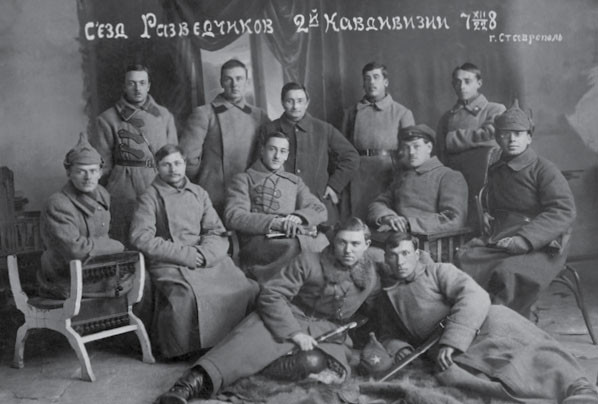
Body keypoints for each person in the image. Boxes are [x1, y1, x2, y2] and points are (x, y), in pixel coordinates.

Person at [156, 217, 380, 404]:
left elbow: (371, 308)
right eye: (342, 242)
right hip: (288, 315)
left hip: (327, 330)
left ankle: (255, 371)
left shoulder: (370, 276)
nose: (348, 250)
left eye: (355, 244)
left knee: (315, 363)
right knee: (241, 346)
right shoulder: (308, 261)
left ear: (367, 245)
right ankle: (187, 386)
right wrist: (294, 333)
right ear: (333, 241)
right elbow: (272, 295)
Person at [369, 232, 598, 404]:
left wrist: (452, 340)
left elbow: (473, 295)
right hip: (446, 350)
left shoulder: (438, 271)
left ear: (416, 254)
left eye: (405, 254)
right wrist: (400, 348)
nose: (400, 262)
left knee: (533, 353)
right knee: (484, 379)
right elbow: (387, 334)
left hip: (485, 323)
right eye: (393, 256)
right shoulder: (387, 296)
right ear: (386, 258)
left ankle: (580, 390)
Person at [129, 144, 258, 359]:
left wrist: (205, 254)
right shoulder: (150, 197)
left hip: (206, 258)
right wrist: (187, 255)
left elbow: (215, 230)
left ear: (185, 164)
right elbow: (141, 237)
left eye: (177, 163)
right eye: (166, 165)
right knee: (186, 297)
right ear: (157, 167)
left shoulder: (199, 193)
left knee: (246, 287)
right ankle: (189, 352)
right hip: (171, 260)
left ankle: (236, 342)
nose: (173, 169)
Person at [457, 100, 576, 318]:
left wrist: (524, 240)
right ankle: (476, 318)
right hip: (503, 235)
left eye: (518, 134)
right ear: (497, 137)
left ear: (529, 138)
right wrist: (488, 216)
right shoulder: (496, 168)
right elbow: (494, 202)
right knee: (465, 259)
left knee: (506, 272)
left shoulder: (544, 170)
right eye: (505, 134)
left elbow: (563, 211)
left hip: (543, 243)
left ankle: (509, 324)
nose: (512, 139)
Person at [223, 130, 329, 283]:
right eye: (272, 149)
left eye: (282, 151)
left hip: (291, 235)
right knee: (294, 246)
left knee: (321, 242)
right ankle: (275, 287)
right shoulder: (244, 179)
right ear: (262, 150)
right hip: (258, 242)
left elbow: (319, 209)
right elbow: (233, 216)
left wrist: (298, 218)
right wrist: (274, 223)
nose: (277, 156)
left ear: (287, 155)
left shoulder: (294, 182)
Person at [91, 64, 177, 244]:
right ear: (124, 86)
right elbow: (103, 165)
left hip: (158, 181)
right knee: (126, 236)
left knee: (160, 235)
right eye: (131, 83)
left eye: (142, 83)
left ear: (149, 86)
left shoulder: (164, 115)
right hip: (124, 187)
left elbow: (173, 155)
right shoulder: (107, 119)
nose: (137, 88)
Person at [38, 133, 125, 298]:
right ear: (68, 173)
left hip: (97, 268)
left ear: (100, 173)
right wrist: (115, 246)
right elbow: (75, 250)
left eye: (93, 171)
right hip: (66, 276)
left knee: (141, 281)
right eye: (80, 171)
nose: (88, 177)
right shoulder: (58, 203)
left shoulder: (102, 194)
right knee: (125, 288)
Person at [259, 82, 359, 224]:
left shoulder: (323, 129)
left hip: (318, 202)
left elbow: (351, 157)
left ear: (307, 103)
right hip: (280, 202)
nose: (295, 106)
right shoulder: (269, 129)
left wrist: (334, 186)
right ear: (282, 102)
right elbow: (259, 165)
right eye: (290, 101)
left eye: (300, 101)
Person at [179, 59, 269, 214]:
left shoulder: (259, 115)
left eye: (239, 79)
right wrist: (204, 181)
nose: (234, 85)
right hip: (214, 195)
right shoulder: (204, 113)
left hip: (249, 195)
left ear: (246, 82)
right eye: (228, 79)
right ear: (221, 82)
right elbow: (187, 158)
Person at [342, 62, 415, 219]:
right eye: (367, 78)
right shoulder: (351, 113)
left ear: (386, 82)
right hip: (359, 174)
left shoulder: (402, 112)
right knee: (358, 219)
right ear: (363, 84)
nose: (371, 82)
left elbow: (410, 151)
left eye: (376, 77)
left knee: (385, 218)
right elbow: (343, 149)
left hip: (388, 173)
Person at [368, 124, 468, 235]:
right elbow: (378, 203)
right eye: (406, 147)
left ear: (429, 147)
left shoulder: (449, 176)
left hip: (427, 241)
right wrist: (387, 217)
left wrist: (409, 224)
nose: (411, 152)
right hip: (396, 237)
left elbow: (453, 218)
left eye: (416, 146)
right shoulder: (402, 176)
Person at [436, 62, 506, 164]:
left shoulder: (495, 109)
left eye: (467, 81)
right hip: (451, 172)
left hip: (485, 170)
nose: (462, 87)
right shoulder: (446, 118)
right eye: (457, 82)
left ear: (479, 83)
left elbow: (492, 137)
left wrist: (451, 139)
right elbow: (439, 153)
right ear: (453, 85)